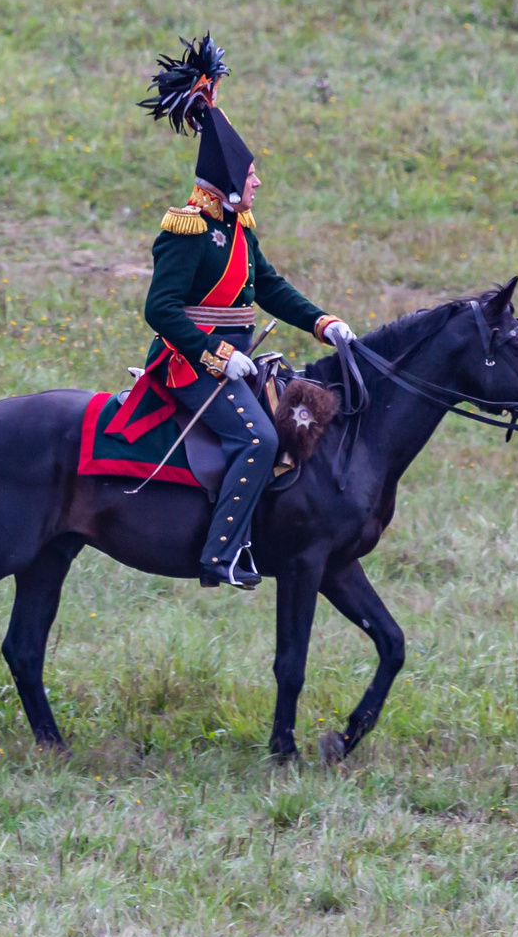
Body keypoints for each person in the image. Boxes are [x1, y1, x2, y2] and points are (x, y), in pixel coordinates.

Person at [136, 36, 355, 589]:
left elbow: (270, 288)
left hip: (237, 357)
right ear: (231, 185)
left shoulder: (237, 229)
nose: (257, 181)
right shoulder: (187, 230)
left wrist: (322, 322)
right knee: (257, 438)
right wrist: (215, 355)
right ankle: (220, 554)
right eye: (252, 175)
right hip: (187, 364)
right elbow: (159, 309)